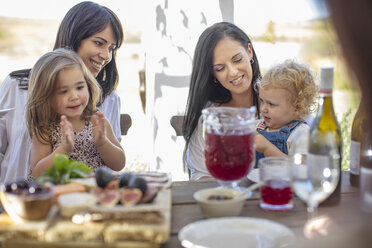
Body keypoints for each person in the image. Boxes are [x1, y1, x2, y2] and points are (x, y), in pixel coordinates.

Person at [0, 1, 124, 183]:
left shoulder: (108, 99)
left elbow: (115, 163)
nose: (106, 56)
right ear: (74, 37)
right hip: (25, 200)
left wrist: (103, 142)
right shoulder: (16, 85)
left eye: (111, 49)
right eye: (99, 43)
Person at [26, 48, 125, 178]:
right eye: (63, 91)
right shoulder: (45, 129)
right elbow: (38, 173)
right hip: (59, 194)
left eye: (79, 87)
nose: (74, 96)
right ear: (45, 96)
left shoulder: (97, 122)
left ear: (88, 85)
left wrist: (103, 143)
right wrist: (63, 150)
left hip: (93, 193)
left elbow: (119, 164)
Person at [183, 22, 261, 180]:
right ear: (213, 74)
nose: (232, 72)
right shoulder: (209, 118)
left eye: (237, 59)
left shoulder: (280, 98)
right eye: (220, 68)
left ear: (250, 51)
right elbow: (200, 174)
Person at [254, 60, 318, 165]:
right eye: (262, 101)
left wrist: (267, 149)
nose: (263, 109)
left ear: (297, 108)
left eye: (271, 104)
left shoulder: (301, 134)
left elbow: (301, 168)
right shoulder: (258, 126)